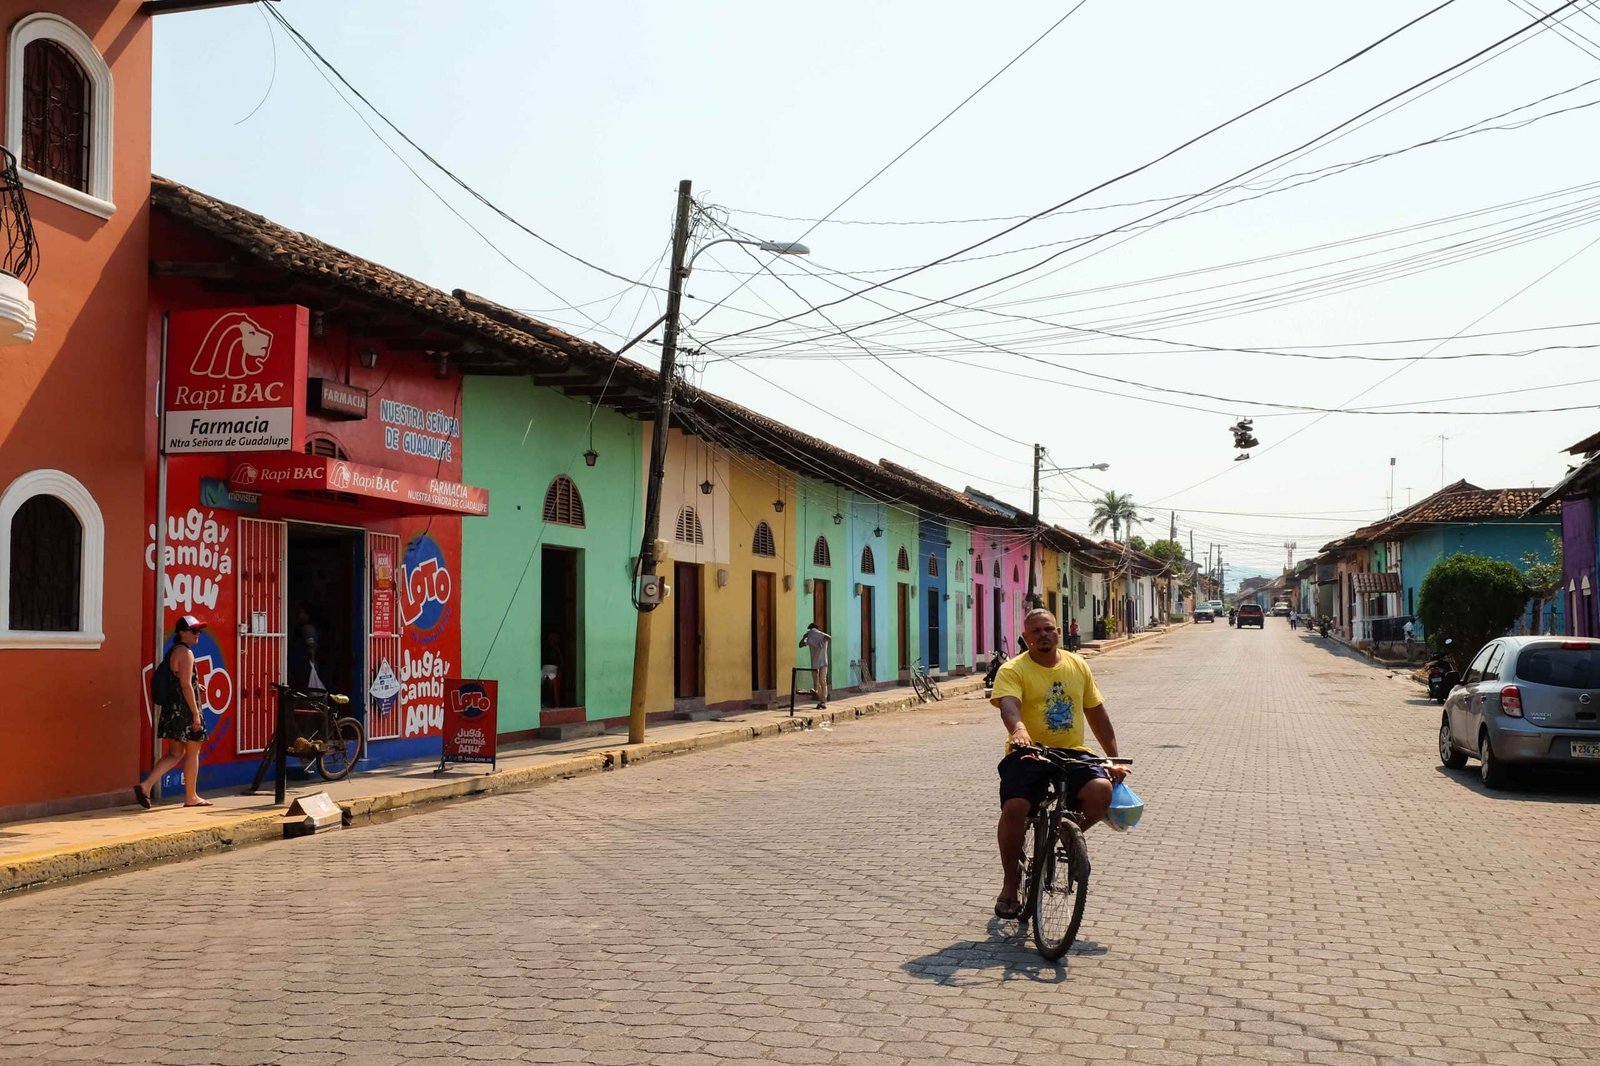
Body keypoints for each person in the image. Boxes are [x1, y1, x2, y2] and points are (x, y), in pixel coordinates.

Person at [991, 608, 1127, 920]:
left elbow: (1096, 712)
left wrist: (1112, 758)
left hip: (1071, 752)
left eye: (1049, 629)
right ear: (1026, 638)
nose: (1043, 635)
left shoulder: (1078, 665)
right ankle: (1010, 883)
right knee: (1015, 807)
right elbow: (1009, 706)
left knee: (1101, 790)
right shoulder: (1013, 670)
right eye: (1036, 631)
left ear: (1059, 632)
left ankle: (1067, 835)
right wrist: (1019, 730)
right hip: (1029, 751)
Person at [135, 615, 212, 809]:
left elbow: (181, 681)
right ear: (182, 633)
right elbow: (185, 685)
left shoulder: (174, 652)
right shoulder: (186, 653)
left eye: (199, 631)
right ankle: (191, 796)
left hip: (172, 710)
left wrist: (196, 685)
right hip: (185, 711)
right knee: (193, 751)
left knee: (174, 753)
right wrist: (195, 714)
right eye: (194, 631)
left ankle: (146, 785)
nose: (198, 635)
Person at [799, 621, 832, 709]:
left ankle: (823, 700)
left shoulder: (821, 636)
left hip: (820, 663)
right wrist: (804, 637)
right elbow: (801, 645)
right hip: (819, 663)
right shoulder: (810, 638)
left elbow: (829, 638)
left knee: (821, 681)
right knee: (820, 682)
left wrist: (820, 635)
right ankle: (821, 700)